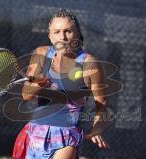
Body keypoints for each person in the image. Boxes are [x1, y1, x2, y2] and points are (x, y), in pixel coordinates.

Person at [13, 9, 110, 159]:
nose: (62, 37)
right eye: (57, 32)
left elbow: (102, 105)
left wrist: (97, 129)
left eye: (68, 31)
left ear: (77, 34)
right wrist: (39, 85)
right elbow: (26, 95)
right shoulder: (41, 54)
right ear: (50, 36)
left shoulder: (89, 64)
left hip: (67, 139)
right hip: (35, 135)